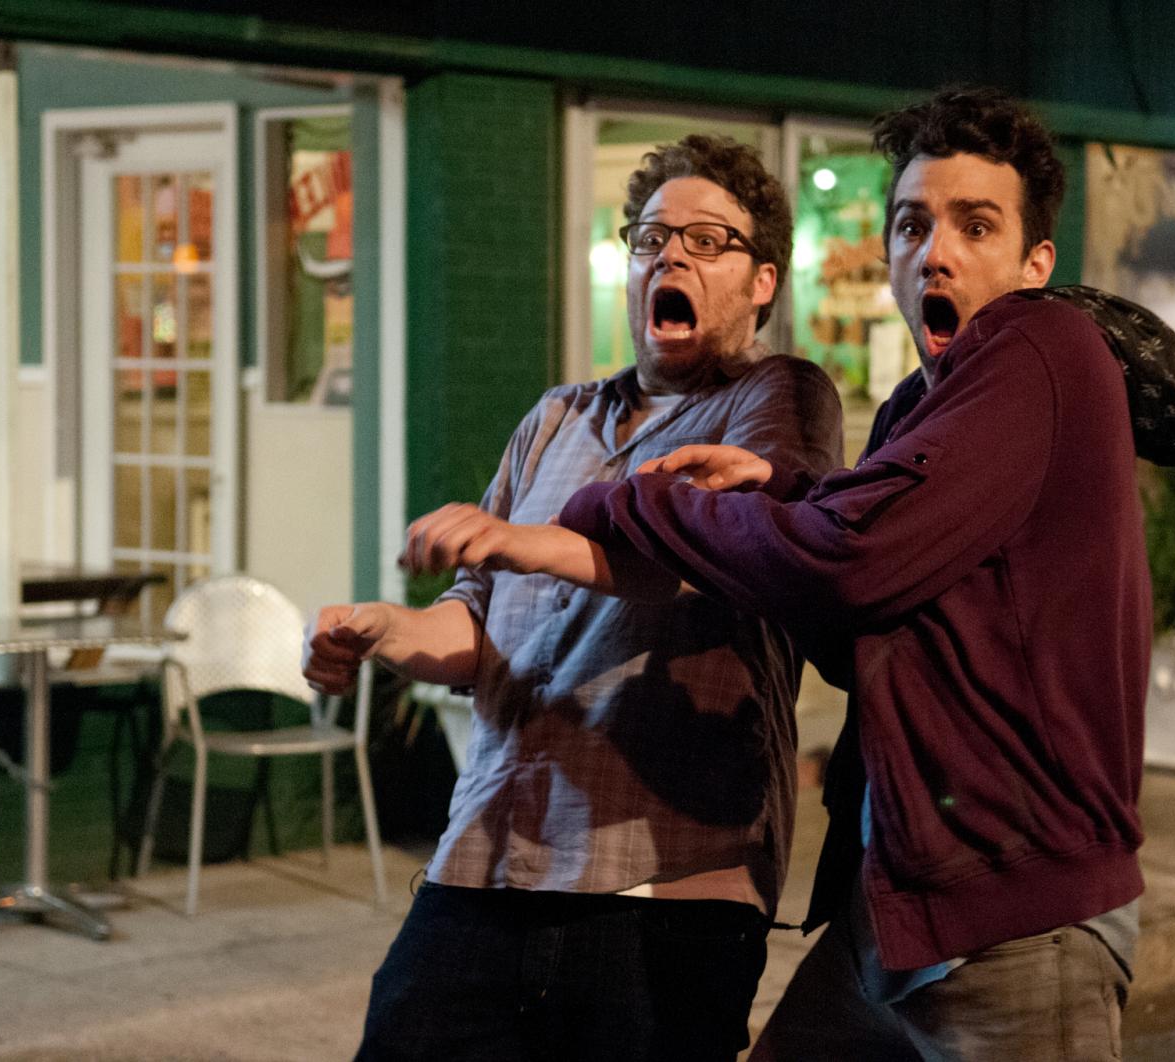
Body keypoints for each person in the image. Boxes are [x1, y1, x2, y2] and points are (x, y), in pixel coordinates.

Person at [532, 87, 1175, 1058]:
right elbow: (856, 628)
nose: (935, 252)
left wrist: (628, 502)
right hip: (900, 912)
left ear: (1036, 263)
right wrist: (783, 491)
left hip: (1021, 923)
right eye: (912, 224)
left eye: (976, 225)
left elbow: (850, 563)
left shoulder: (1041, 347)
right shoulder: (912, 411)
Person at [303, 134, 843, 1062]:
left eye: (707, 241)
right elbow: (476, 626)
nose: (671, 257)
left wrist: (526, 541)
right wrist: (385, 628)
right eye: (651, 238)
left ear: (764, 282)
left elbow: (720, 547)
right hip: (488, 859)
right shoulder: (556, 417)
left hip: (662, 884)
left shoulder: (776, 399)